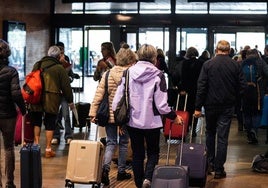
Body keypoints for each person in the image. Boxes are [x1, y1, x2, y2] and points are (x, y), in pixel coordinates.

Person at [112, 44, 184, 188]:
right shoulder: (158, 75)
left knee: (137, 153)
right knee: (153, 152)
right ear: (155, 58)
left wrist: (119, 120)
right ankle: (148, 178)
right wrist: (174, 116)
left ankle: (139, 184)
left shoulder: (127, 73)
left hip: (133, 121)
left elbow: (117, 100)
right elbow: (162, 105)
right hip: (153, 122)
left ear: (138, 56)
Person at [194, 40, 247, 179]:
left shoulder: (208, 64)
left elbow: (201, 87)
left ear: (216, 50)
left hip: (210, 105)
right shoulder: (235, 65)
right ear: (229, 51)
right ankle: (219, 169)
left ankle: (209, 164)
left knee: (210, 134)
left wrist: (198, 107)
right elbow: (243, 86)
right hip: (227, 106)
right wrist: (234, 98)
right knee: (223, 138)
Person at [89, 47, 137, 186]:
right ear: (130, 60)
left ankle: (105, 170)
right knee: (123, 143)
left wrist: (93, 112)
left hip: (109, 115)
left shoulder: (108, 74)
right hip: (124, 115)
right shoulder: (131, 74)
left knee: (110, 142)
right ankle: (121, 171)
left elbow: (99, 94)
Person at [30, 45, 74, 158]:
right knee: (50, 123)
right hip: (51, 99)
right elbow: (66, 87)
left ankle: (36, 146)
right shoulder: (59, 68)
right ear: (59, 56)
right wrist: (70, 101)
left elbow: (32, 80)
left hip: (36, 98)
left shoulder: (38, 64)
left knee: (36, 122)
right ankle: (48, 149)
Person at [0, 39, 26, 188]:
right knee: (8, 148)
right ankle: (9, 182)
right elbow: (16, 94)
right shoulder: (11, 72)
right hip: (8, 115)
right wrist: (23, 109)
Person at [51, 42, 79, 145]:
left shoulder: (66, 59)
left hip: (64, 93)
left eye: (62, 49)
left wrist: (68, 78)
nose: (61, 51)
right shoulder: (52, 60)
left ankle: (68, 136)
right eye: (59, 49)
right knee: (54, 115)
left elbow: (70, 75)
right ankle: (56, 136)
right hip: (54, 92)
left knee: (66, 115)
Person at [172, 47, 204, 137]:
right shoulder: (201, 63)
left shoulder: (182, 63)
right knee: (195, 110)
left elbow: (175, 76)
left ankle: (184, 129)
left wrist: (178, 87)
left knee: (184, 110)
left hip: (184, 92)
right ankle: (193, 129)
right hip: (196, 91)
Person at [241, 49, 268, 144]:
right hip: (258, 92)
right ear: (257, 54)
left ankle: (249, 132)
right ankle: (254, 130)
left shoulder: (243, 63)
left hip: (245, 92)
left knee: (247, 113)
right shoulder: (261, 62)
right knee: (257, 112)